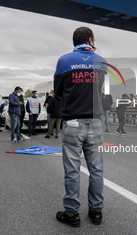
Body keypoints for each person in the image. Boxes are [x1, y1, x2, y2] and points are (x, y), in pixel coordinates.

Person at [54, 26, 106, 227]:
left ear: (74, 42)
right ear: (91, 40)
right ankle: (96, 211)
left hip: (73, 121)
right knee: (97, 169)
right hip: (95, 121)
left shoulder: (64, 60)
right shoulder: (101, 60)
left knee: (72, 170)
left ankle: (72, 214)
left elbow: (58, 91)